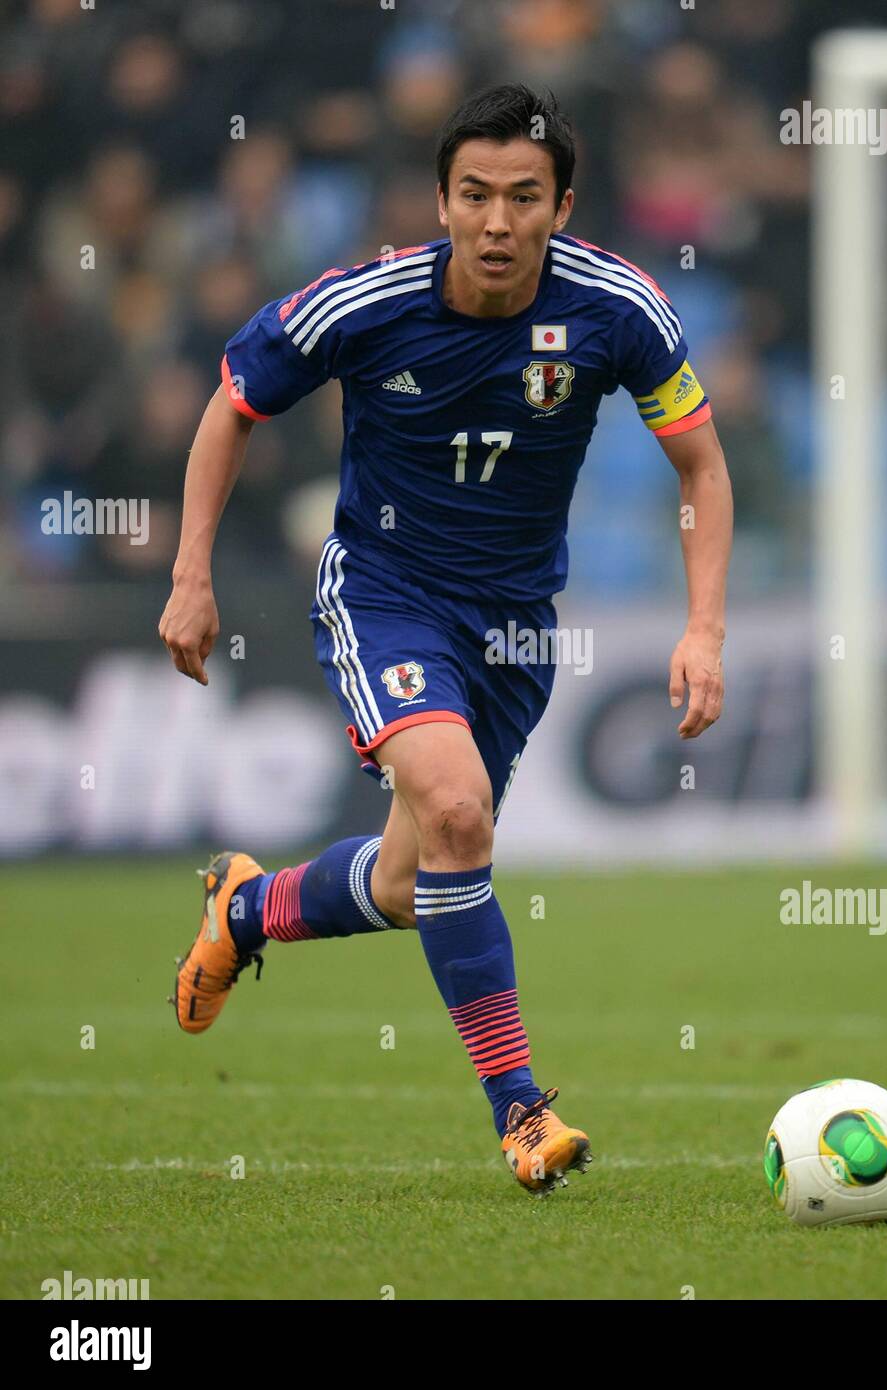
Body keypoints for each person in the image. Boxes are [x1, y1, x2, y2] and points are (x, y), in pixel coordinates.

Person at [159, 83, 732, 1196]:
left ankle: (245, 908)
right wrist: (192, 574)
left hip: (515, 629)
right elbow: (232, 402)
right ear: (441, 199)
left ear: (562, 206)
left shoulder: (618, 310)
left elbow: (701, 465)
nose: (497, 221)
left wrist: (702, 627)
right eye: (474, 194)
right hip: (383, 589)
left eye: (524, 197)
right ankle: (520, 1110)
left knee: (412, 879)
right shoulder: (363, 302)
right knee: (459, 809)